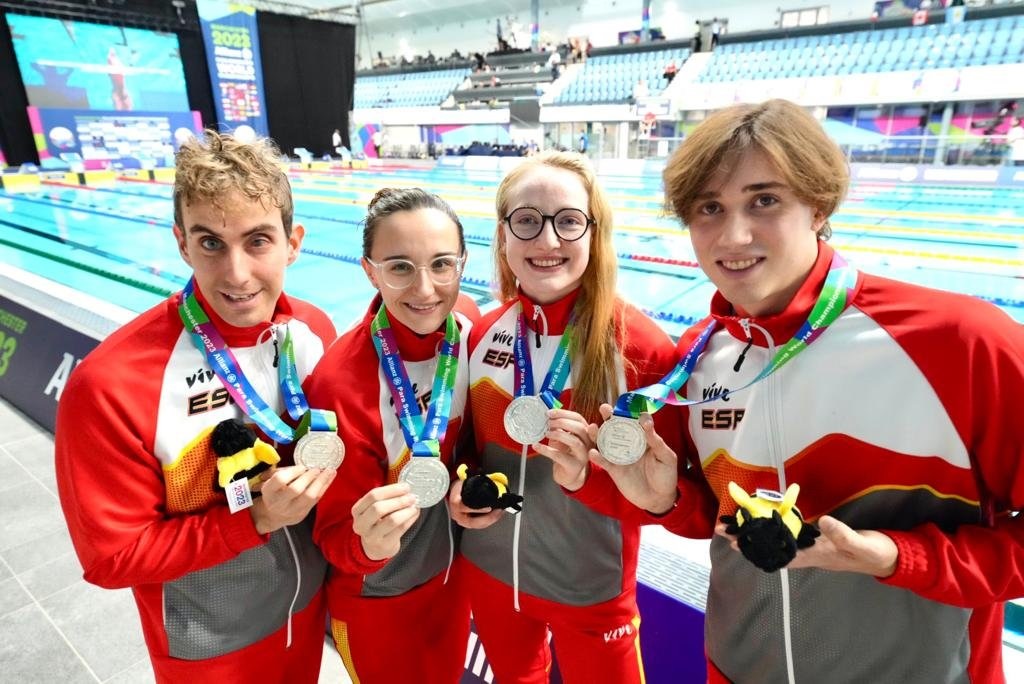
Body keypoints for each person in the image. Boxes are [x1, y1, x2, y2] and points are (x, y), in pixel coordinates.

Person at [579, 99, 1024, 682]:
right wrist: (667, 500)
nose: (733, 235)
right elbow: (711, 524)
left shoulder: (960, 343)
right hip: (735, 668)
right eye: (709, 207)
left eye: (765, 200)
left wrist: (896, 557)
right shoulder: (696, 358)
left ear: (818, 205)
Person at [54, 130, 338, 682]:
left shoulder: (314, 331)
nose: (236, 274)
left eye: (257, 241)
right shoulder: (112, 383)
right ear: (182, 243)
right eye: (211, 243)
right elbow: (111, 558)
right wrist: (255, 518)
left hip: (306, 615)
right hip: (208, 645)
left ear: (294, 242)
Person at [449, 151, 703, 683]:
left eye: (568, 221)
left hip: (590, 586)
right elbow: (466, 448)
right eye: (527, 221)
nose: (546, 242)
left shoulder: (642, 351)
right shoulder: (481, 335)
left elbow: (670, 500)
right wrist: (461, 487)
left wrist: (586, 480)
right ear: (503, 235)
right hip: (491, 570)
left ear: (594, 233)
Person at [306, 188, 478, 683]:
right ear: (369, 271)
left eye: (442, 264)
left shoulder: (470, 331)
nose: (426, 290)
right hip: (376, 597)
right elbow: (332, 536)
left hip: (450, 581)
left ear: (462, 264)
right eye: (400, 267)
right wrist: (368, 546)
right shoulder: (339, 382)